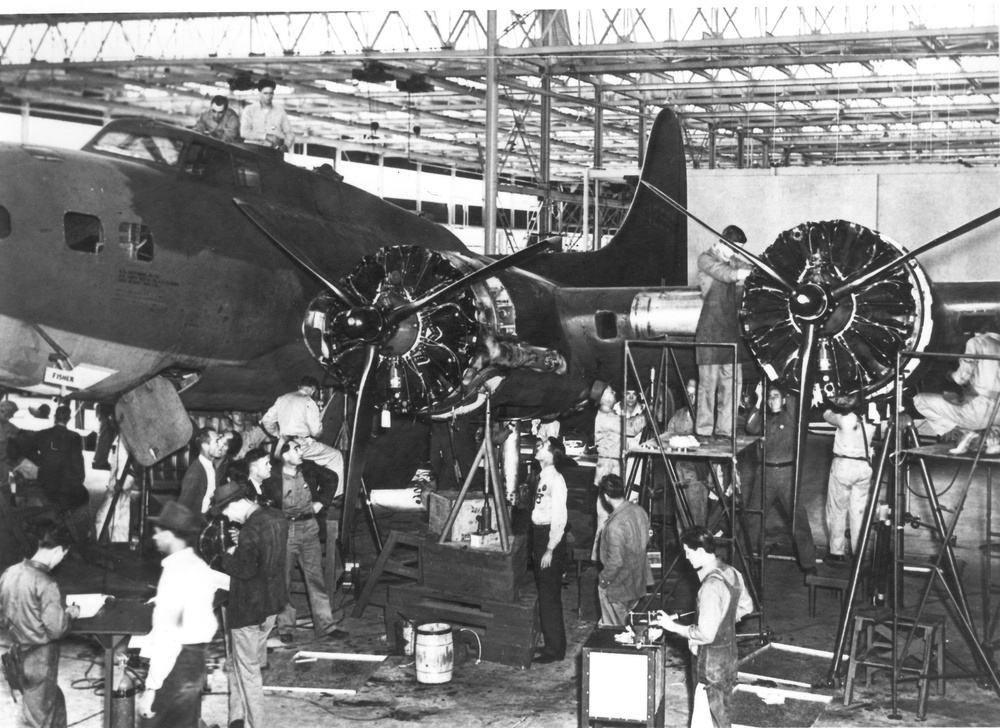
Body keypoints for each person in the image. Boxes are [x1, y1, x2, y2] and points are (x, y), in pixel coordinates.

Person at [654, 527, 753, 728]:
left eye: (688, 553)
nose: (687, 558)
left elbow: (705, 634)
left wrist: (672, 626)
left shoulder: (709, 586)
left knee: (708, 718)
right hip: (729, 656)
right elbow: (747, 606)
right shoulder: (732, 572)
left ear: (699, 551)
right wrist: (720, 620)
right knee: (722, 713)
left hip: (710, 664)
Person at [212, 482, 288, 728]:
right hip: (272, 604)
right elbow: (263, 553)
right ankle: (237, 716)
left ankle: (257, 724)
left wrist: (226, 556)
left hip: (248, 609)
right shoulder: (276, 517)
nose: (226, 517)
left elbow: (244, 570)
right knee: (244, 661)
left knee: (248, 671)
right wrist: (242, 544)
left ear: (234, 504)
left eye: (225, 511)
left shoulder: (249, 530)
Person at [138, 502, 218, 727]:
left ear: (170, 535)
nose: (155, 538)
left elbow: (168, 637)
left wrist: (152, 687)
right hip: (197, 661)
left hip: (177, 666)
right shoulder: (197, 564)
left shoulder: (174, 572)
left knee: (152, 721)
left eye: (157, 532)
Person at [0, 529, 81, 728]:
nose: (61, 560)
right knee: (38, 720)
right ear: (58, 550)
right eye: (63, 555)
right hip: (40, 660)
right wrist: (70, 613)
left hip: (17, 655)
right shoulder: (46, 582)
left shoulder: (9, 572)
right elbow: (57, 629)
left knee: (55, 702)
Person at [262, 441, 340, 644]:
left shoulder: (309, 467)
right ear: (284, 455)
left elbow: (332, 477)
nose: (301, 452)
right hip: (286, 531)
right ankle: (286, 627)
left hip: (310, 529)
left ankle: (326, 627)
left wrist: (321, 502)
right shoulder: (271, 477)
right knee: (283, 581)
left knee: (316, 579)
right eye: (296, 449)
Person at [744, 383, 817, 577]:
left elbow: (793, 391)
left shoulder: (792, 417)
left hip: (786, 475)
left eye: (776, 396)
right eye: (769, 397)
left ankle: (808, 564)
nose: (772, 400)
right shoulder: (763, 419)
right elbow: (750, 427)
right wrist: (759, 399)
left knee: (798, 520)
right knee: (753, 519)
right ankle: (746, 559)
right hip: (764, 474)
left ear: (784, 400)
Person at [695, 225, 752, 439]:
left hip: (730, 331)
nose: (735, 253)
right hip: (709, 332)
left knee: (731, 384)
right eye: (734, 248)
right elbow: (726, 274)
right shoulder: (706, 259)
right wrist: (742, 272)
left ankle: (726, 431)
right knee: (708, 386)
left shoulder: (731, 259)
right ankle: (703, 431)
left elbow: (746, 266)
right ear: (723, 242)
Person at [914, 330, 1000, 454]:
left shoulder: (976, 341)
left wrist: (950, 374)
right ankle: (994, 437)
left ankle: (965, 433)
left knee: (920, 400)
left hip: (980, 414)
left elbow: (962, 377)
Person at [261, 376, 344, 489]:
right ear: (313, 390)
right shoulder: (308, 401)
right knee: (336, 456)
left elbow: (266, 420)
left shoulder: (282, 398)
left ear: (299, 387)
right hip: (301, 445)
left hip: (283, 445)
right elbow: (316, 432)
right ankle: (335, 495)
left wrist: (277, 435)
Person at [822, 395, 876, 564]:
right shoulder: (872, 420)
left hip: (844, 466)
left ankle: (836, 552)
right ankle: (858, 551)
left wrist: (833, 402)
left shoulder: (843, 419)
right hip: (864, 467)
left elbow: (826, 414)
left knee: (837, 510)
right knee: (858, 512)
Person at [596, 474, 652, 627]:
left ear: (606, 496)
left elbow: (615, 562)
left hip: (618, 587)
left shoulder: (615, 525)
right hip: (637, 583)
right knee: (626, 627)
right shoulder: (640, 511)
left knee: (614, 633)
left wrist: (603, 582)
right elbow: (646, 540)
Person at [530, 437, 568, 664]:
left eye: (543, 446)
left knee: (549, 595)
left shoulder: (556, 480)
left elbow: (560, 518)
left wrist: (550, 549)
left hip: (549, 538)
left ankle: (555, 650)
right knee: (545, 593)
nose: (538, 446)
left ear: (552, 454)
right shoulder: (542, 476)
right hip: (539, 535)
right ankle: (551, 643)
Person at [35, 405, 90, 542]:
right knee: (84, 497)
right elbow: (78, 460)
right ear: (69, 419)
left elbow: (26, 448)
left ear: (55, 416)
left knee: (62, 500)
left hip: (46, 481)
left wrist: (41, 461)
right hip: (65, 482)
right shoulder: (74, 437)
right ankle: (62, 525)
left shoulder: (42, 434)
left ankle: (58, 522)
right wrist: (79, 479)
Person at [666, 379, 712, 527]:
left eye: (694, 394)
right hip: (679, 472)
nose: (691, 397)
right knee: (680, 514)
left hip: (698, 473)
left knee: (697, 515)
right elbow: (668, 438)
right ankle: (683, 549)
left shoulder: (706, 418)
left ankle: (698, 548)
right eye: (688, 393)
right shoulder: (678, 415)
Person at [591, 385, 621, 558]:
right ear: (602, 397)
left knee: (605, 514)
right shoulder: (607, 418)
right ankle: (601, 557)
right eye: (611, 390)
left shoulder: (607, 416)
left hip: (608, 466)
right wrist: (647, 414)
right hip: (610, 466)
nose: (615, 392)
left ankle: (599, 555)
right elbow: (631, 428)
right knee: (606, 516)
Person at [240, 77, 294, 154]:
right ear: (259, 93)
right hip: (251, 150)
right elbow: (244, 132)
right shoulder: (249, 110)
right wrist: (265, 136)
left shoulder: (280, 111)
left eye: (271, 93)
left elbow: (289, 133)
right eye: (265, 93)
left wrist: (286, 145)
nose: (268, 97)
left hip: (272, 151)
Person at [178, 427, 224, 515]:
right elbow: (183, 507)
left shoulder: (211, 465)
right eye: (217, 441)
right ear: (205, 446)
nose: (221, 444)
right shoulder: (195, 472)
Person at [0, 400, 20, 502]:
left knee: (12, 479)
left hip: (6, 463)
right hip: (3, 462)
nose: (11, 417)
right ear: (2, 411)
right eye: (9, 414)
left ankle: (12, 498)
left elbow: (21, 434)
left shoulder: (9, 426)